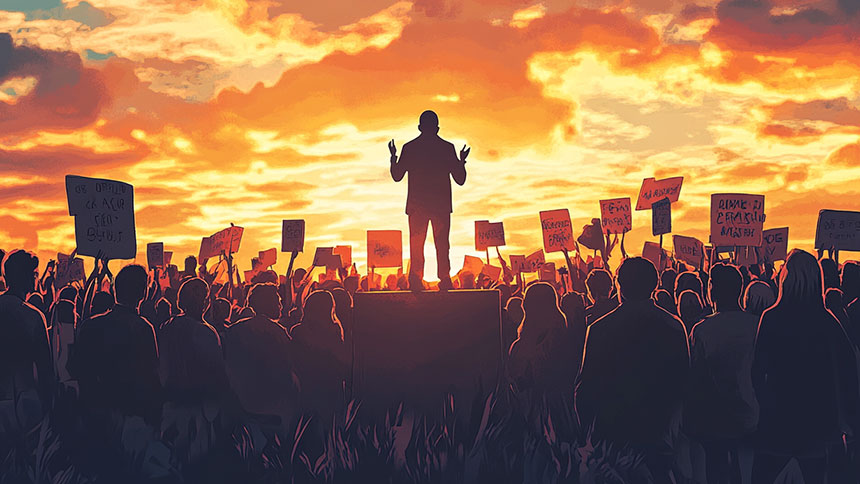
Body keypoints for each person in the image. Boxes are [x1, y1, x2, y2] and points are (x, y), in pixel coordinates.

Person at [575, 257, 689, 483]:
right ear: (654, 285)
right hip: (658, 431)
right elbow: (684, 384)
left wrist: (588, 432)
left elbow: (585, 388)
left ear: (620, 286)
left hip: (612, 434)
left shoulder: (599, 329)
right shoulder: (674, 326)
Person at [751, 249, 859, 483]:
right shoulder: (828, 321)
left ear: (786, 278)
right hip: (818, 426)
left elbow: (757, 373)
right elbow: (850, 370)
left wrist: (767, 406)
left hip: (777, 425)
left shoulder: (771, 318)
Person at [685, 264, 759, 484]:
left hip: (714, 419)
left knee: (716, 471)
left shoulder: (702, 330)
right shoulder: (757, 325)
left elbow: (695, 377)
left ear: (712, 291)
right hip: (752, 415)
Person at [389, 110, 469, 290]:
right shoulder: (447, 148)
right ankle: (444, 278)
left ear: (419, 127)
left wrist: (393, 158)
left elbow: (397, 175)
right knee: (442, 244)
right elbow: (460, 179)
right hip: (440, 206)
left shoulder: (410, 148)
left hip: (417, 207)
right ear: (437, 128)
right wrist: (461, 161)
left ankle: (416, 279)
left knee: (417, 243)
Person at [71, 264, 162, 425]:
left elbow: (78, 369)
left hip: (94, 414)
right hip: (132, 416)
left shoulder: (90, 325)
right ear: (143, 292)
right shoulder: (142, 328)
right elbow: (151, 376)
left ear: (115, 291)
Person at [222, 283, 299, 426]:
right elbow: (288, 366)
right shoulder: (277, 332)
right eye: (278, 301)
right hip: (272, 408)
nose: (281, 306)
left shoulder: (235, 330)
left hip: (242, 404)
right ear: (268, 303)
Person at [0, 250, 54, 435]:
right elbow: (45, 368)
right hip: (25, 406)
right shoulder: (32, 317)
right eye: (34, 273)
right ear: (26, 277)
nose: (36, 278)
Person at [289, 290, 348, 416]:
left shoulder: (298, 331)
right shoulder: (335, 332)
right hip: (331, 387)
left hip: (307, 387)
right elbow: (341, 362)